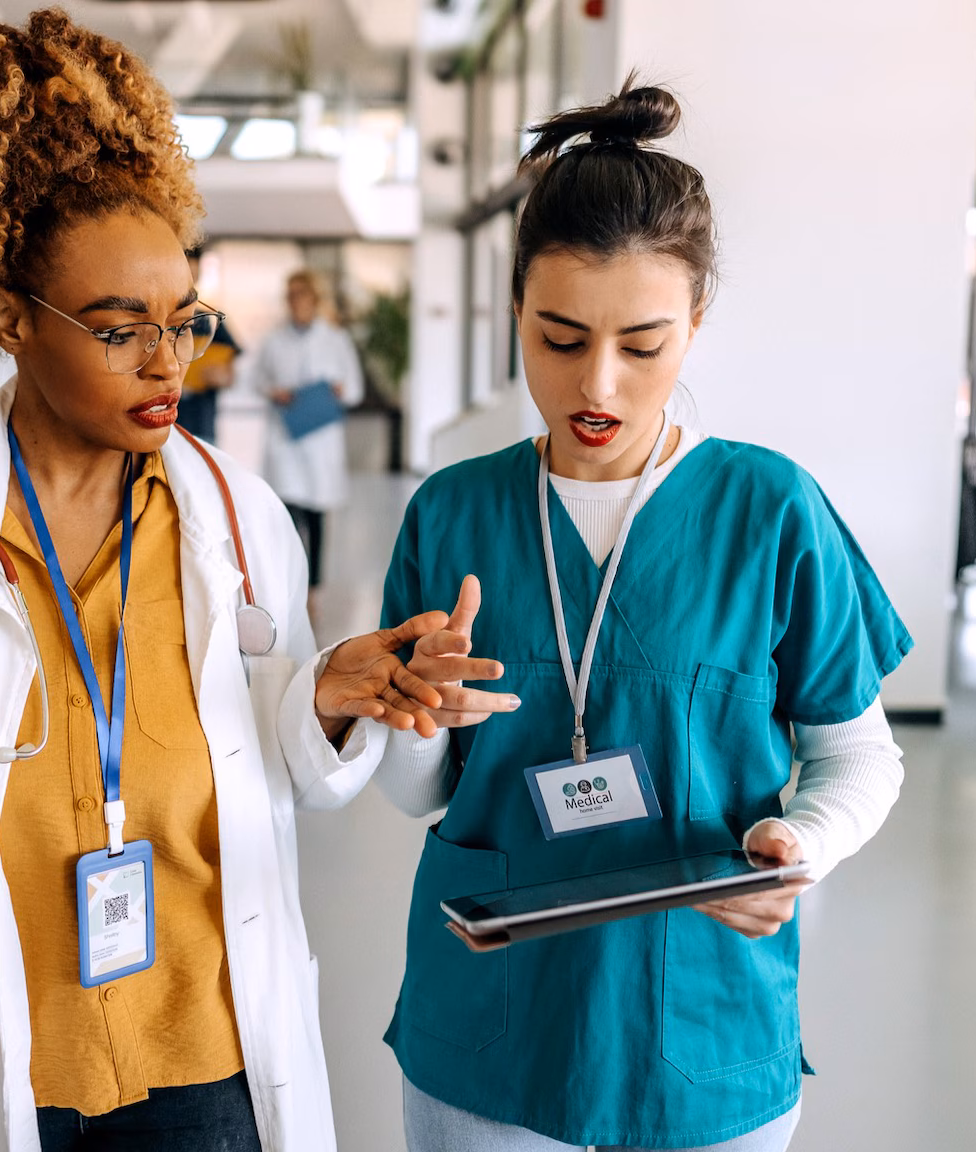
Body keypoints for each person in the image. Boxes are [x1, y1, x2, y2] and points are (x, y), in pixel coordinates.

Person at [0, 13, 461, 1151]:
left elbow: (276, 774)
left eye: (184, 323)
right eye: (119, 331)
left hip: (203, 1042)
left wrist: (316, 704)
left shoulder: (238, 516)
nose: (169, 364)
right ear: (10, 318)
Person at [316, 82, 914, 1151]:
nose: (595, 383)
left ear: (694, 325)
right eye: (556, 338)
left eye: (641, 346)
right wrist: (419, 720)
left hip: (698, 1013)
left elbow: (857, 756)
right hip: (490, 1022)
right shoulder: (452, 512)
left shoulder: (768, 510)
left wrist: (798, 841)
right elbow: (417, 797)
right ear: (514, 314)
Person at [248, 270, 363, 588]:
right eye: (290, 295)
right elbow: (256, 380)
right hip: (285, 438)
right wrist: (275, 391)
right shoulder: (273, 339)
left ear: (314, 298)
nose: (295, 301)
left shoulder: (335, 339)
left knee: (316, 517)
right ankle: (290, 584)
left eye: (300, 294)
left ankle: (313, 587)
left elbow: (355, 389)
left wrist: (340, 391)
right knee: (287, 515)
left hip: (320, 440)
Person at [174, 247, 239, 443]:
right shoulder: (158, 319)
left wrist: (221, 376)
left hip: (201, 425)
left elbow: (230, 373)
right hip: (164, 426)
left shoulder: (209, 319)